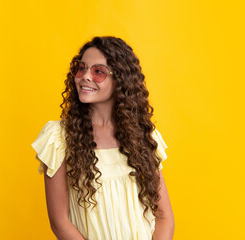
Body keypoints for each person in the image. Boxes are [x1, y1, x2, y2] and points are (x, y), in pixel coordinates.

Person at [31, 36, 174, 240]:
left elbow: (164, 216)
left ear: (121, 80)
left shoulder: (143, 136)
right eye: (81, 68)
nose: (85, 77)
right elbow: (59, 222)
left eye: (98, 72)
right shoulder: (58, 138)